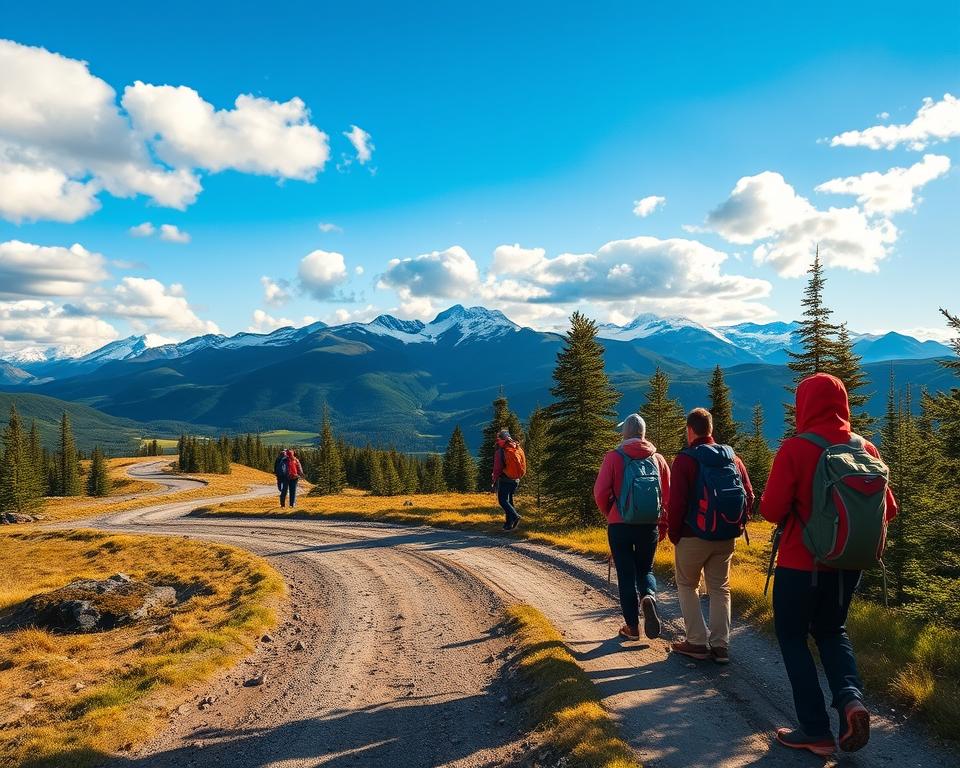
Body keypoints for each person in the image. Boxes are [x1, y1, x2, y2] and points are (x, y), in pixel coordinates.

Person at [761, 373, 898, 757]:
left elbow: (771, 510)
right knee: (832, 631)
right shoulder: (865, 448)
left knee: (791, 638)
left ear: (805, 404)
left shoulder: (795, 449)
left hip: (799, 564)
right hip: (846, 564)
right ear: (843, 404)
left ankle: (816, 730)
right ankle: (850, 700)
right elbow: (890, 509)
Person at [667, 407, 753, 664]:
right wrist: (738, 524)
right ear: (711, 430)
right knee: (720, 588)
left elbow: (677, 503)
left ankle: (696, 642)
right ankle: (720, 646)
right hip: (726, 536)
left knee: (686, 585)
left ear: (690, 430)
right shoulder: (732, 458)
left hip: (693, 535)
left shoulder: (685, 460)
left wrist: (674, 534)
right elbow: (749, 495)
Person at [593, 414, 670, 641]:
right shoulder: (658, 459)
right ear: (643, 433)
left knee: (626, 574)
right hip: (649, 525)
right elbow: (668, 496)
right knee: (645, 570)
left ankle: (632, 628)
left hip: (620, 525)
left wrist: (611, 512)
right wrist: (663, 523)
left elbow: (599, 493)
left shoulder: (614, 457)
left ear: (624, 433)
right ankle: (648, 595)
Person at [491, 429, 524, 530]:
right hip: (515, 479)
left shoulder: (501, 450)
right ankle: (508, 524)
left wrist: (494, 479)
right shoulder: (517, 447)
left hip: (505, 479)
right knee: (509, 500)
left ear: (500, 438)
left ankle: (515, 516)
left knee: (502, 500)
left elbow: (497, 468)